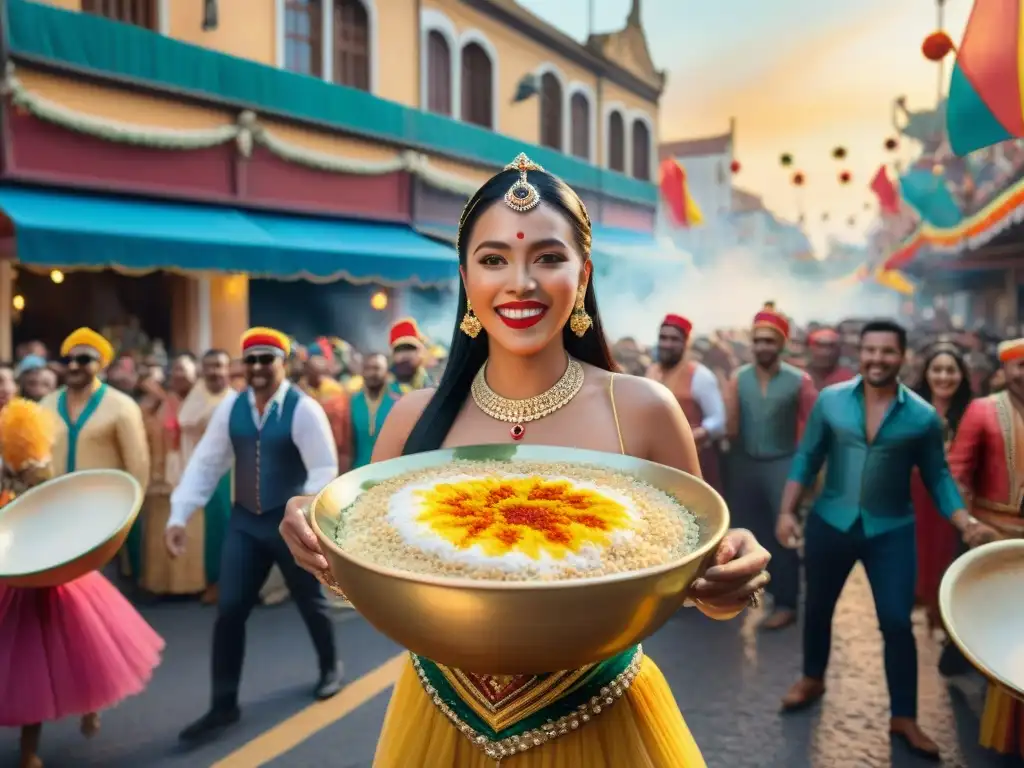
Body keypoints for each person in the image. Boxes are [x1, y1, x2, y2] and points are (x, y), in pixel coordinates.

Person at [279, 153, 771, 767]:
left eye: (547, 257)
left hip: (599, 723)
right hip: (439, 725)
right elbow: (367, 586)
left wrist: (731, 572)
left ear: (583, 272)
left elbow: (691, 586)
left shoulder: (642, 409)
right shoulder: (414, 417)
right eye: (493, 260)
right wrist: (317, 533)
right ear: (466, 276)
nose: (520, 283)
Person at [776, 319, 999, 760]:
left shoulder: (921, 416)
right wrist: (786, 510)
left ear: (902, 357)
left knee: (897, 623)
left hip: (891, 531)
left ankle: (904, 717)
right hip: (830, 523)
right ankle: (812, 677)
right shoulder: (831, 401)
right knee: (818, 608)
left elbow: (938, 476)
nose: (878, 359)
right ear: (859, 353)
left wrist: (964, 521)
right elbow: (808, 456)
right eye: (870, 350)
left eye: (887, 352)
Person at [165, 327, 342, 743]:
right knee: (229, 611)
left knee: (311, 600)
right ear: (243, 367)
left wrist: (307, 514)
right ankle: (223, 705)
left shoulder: (303, 409)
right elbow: (207, 464)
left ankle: (330, 666)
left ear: (284, 363)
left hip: (289, 524)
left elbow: (323, 469)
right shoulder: (231, 408)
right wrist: (179, 516)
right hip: (246, 523)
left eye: (268, 359)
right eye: (252, 360)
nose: (259, 367)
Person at [0, 398, 164, 768]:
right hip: (14, 580)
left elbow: (63, 519)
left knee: (79, 651)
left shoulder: (44, 479)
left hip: (57, 576)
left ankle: (72, 720)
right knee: (29, 667)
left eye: (34, 465)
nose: (30, 470)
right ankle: (29, 752)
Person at [947, 336, 1024, 759]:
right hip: (993, 543)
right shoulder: (981, 410)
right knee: (1002, 642)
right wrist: (970, 524)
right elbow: (956, 475)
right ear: (1005, 370)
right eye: (1019, 366)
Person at [723, 302, 817, 631]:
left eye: (770, 341)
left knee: (783, 533)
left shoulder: (798, 380)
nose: (763, 347)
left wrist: (808, 476)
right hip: (744, 463)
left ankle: (787, 601)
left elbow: (813, 428)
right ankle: (747, 592)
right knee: (747, 530)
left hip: (782, 462)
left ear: (781, 345)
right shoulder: (738, 378)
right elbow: (729, 426)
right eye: (758, 341)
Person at [40, 328, 150, 578]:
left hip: (101, 513)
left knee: (100, 588)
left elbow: (138, 466)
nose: (75, 365)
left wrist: (128, 517)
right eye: (69, 360)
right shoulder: (46, 404)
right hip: (55, 511)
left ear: (101, 365)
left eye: (84, 359)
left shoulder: (122, 407)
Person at [910, 342, 972, 632]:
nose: (944, 376)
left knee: (947, 553)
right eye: (937, 370)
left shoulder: (972, 413)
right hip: (912, 494)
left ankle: (943, 614)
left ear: (961, 376)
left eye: (951, 370)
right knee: (916, 551)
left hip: (955, 498)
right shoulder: (908, 408)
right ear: (926, 374)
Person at [177, 349, 234, 605]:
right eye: (209, 366)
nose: (214, 371)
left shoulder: (236, 400)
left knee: (227, 526)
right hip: (199, 469)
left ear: (228, 369)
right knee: (204, 529)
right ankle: (209, 582)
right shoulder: (194, 400)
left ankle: (231, 583)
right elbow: (186, 422)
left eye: (219, 366)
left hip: (231, 471)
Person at [646, 314, 726, 492]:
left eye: (674, 339)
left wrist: (694, 435)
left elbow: (718, 420)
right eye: (663, 338)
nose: (667, 344)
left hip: (694, 461)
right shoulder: (652, 371)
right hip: (657, 461)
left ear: (686, 342)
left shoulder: (700, 375)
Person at [347, 351, 399, 470]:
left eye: (376, 368)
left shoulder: (398, 400)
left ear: (386, 372)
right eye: (367, 368)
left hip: (390, 472)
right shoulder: (352, 401)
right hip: (358, 473)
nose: (371, 373)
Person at [388, 318, 433, 394]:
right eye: (399, 350)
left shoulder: (432, 384)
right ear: (393, 355)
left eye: (410, 348)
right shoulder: (384, 387)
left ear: (420, 352)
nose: (405, 355)